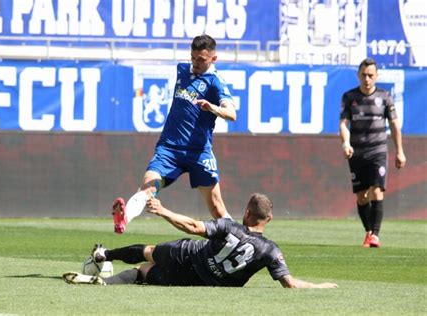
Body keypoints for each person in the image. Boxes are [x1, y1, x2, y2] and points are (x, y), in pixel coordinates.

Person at [63, 193, 338, 289]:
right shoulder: (270, 250)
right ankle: (105, 279)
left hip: (189, 255)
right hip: (200, 281)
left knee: (147, 253)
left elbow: (194, 226)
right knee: (143, 274)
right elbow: (289, 283)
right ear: (270, 219)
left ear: (246, 212)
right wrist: (321, 285)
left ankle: (104, 256)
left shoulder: (230, 226)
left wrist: (163, 211)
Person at [112, 34, 237, 234]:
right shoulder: (182, 70)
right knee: (148, 187)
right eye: (193, 57)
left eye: (201, 60)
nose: (195, 63)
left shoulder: (216, 82)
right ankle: (124, 217)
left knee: (216, 208)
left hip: (199, 152)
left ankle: (241, 240)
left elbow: (231, 114)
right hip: (169, 148)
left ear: (214, 59)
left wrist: (211, 107)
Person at [339, 58, 406, 248]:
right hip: (357, 152)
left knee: (376, 190)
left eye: (370, 75)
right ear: (358, 75)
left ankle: (375, 235)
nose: (367, 79)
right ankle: (369, 232)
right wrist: (345, 143)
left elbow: (394, 125)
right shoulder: (349, 97)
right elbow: (344, 123)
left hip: (378, 150)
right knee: (361, 196)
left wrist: (400, 151)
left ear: (376, 76)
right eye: (363, 75)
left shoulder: (385, 97)